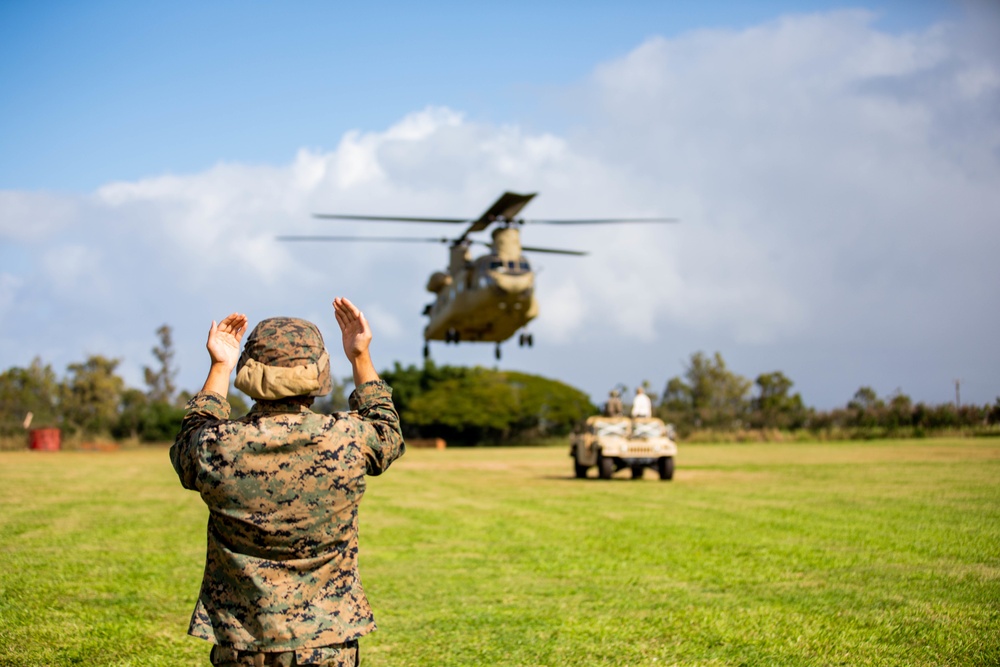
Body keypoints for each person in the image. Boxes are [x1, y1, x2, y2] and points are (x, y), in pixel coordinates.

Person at [170, 297, 405, 667]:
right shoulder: (348, 438)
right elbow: (387, 431)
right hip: (328, 642)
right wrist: (360, 357)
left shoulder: (216, 446)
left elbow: (190, 437)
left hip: (242, 644)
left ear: (249, 374)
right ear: (319, 374)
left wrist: (219, 366)